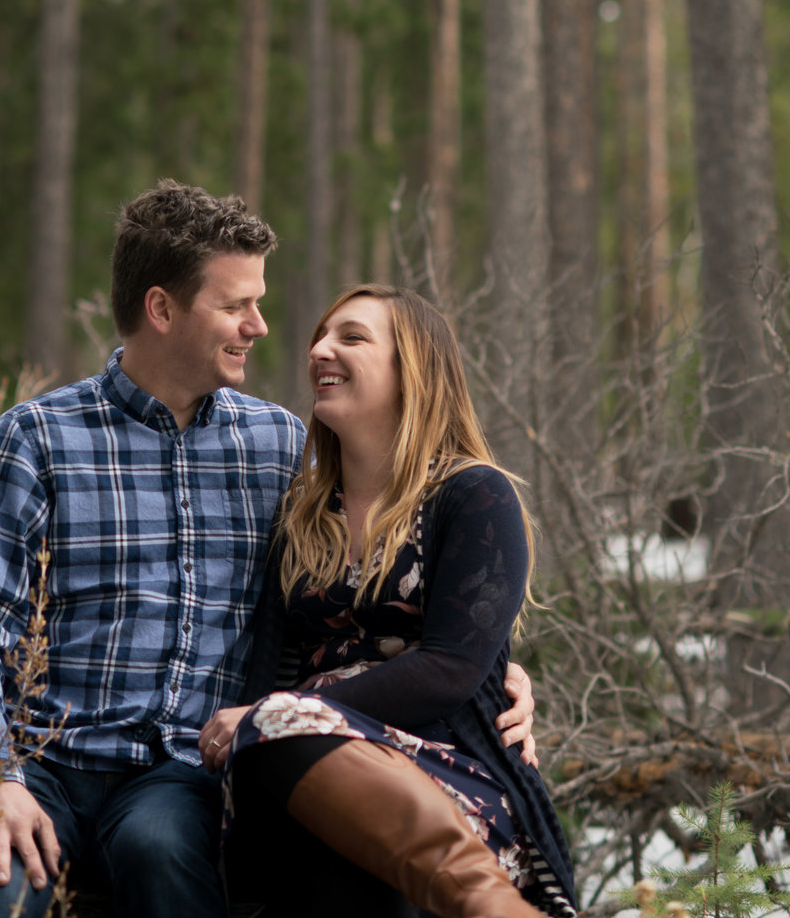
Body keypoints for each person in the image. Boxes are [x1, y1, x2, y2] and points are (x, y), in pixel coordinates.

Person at [0, 185, 537, 918]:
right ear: (162, 309)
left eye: (260, 301)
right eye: (236, 305)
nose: (261, 325)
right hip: (40, 762)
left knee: (167, 858)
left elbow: (359, 600)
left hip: (179, 776)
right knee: (0, 886)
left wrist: (496, 668)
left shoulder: (278, 447)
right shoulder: (39, 438)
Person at [200, 284, 577, 918]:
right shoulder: (303, 515)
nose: (320, 349)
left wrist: (284, 711)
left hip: (444, 769)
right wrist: (271, 717)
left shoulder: (473, 496)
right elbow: (272, 663)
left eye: (351, 337)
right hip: (309, 765)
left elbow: (454, 668)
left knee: (280, 738)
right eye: (320, 336)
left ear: (414, 371)